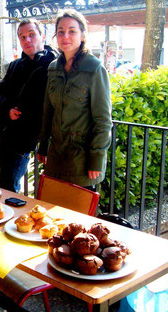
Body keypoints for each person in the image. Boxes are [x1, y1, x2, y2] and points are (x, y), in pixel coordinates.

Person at [37, 9, 113, 189]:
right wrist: (43, 145)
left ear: (83, 35)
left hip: (82, 159)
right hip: (56, 156)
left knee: (78, 215)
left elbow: (103, 120)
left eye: (72, 31)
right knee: (52, 211)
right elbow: (48, 111)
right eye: (61, 32)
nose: (66, 36)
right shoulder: (53, 68)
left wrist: (97, 158)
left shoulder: (94, 68)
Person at [0, 19, 58, 193]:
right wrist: (7, 110)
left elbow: (50, 107)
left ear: (42, 36)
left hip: (21, 144)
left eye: (32, 35)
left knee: (7, 192)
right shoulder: (15, 66)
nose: (27, 40)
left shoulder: (53, 68)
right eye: (22, 37)